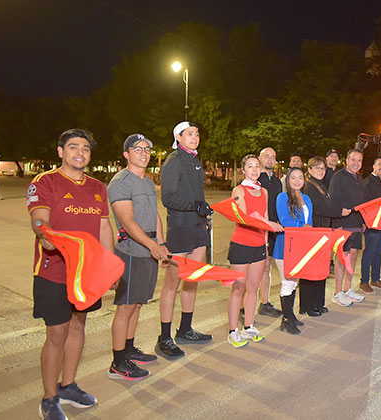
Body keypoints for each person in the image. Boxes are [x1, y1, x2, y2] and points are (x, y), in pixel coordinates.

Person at [28, 129, 112, 420]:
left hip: (86, 273)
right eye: (73, 147)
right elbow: (39, 217)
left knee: (78, 325)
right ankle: (49, 399)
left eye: (86, 149)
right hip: (54, 271)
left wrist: (108, 265)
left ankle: (68, 386)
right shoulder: (46, 181)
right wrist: (44, 234)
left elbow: (103, 228)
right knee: (57, 332)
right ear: (60, 151)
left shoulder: (98, 188)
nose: (80, 153)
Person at [106, 134, 169, 381]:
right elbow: (127, 222)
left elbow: (154, 215)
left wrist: (161, 244)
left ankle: (129, 349)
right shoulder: (120, 182)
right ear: (126, 154)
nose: (144, 153)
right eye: (138, 149)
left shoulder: (147, 181)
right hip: (131, 250)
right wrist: (152, 246)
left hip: (149, 248)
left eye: (147, 149)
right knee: (125, 306)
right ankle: (118, 363)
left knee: (138, 303)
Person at [156, 122, 213, 361]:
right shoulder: (173, 161)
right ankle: (164, 338)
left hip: (198, 227)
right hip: (180, 228)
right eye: (190, 134)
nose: (195, 137)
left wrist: (203, 213)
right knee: (172, 283)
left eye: (197, 134)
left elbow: (196, 196)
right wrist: (193, 207)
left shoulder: (195, 161)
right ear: (178, 137)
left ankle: (185, 330)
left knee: (192, 280)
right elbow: (167, 197)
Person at [227, 155, 283, 347]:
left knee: (253, 288)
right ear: (243, 170)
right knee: (238, 288)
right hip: (241, 244)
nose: (254, 170)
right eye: (250, 166)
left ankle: (249, 326)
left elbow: (264, 217)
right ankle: (233, 331)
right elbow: (242, 218)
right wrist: (267, 223)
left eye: (256, 166)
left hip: (259, 245)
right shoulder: (239, 190)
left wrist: (266, 241)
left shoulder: (264, 192)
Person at [301, 157, 351, 316]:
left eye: (323, 168)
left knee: (321, 268)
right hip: (313, 233)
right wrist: (338, 212)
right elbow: (318, 208)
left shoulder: (320, 185)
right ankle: (308, 306)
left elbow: (328, 204)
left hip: (323, 232)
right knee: (310, 271)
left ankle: (318, 303)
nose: (320, 171)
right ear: (309, 170)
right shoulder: (308, 186)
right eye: (317, 168)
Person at [274, 168, 313, 334]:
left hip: (301, 245)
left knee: (294, 281)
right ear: (287, 180)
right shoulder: (282, 197)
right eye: (293, 178)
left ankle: (290, 314)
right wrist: (301, 227)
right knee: (287, 281)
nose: (297, 181)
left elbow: (310, 221)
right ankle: (286, 319)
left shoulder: (307, 198)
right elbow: (284, 220)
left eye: (300, 178)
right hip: (286, 245)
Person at [329, 149, 367, 306]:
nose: (356, 163)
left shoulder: (359, 178)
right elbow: (333, 200)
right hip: (342, 224)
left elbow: (362, 203)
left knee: (353, 256)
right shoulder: (338, 177)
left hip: (357, 225)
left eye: (359, 161)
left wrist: (363, 221)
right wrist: (338, 218)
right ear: (346, 160)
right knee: (341, 258)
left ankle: (348, 289)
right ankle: (338, 293)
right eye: (353, 160)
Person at [359, 157, 381, 294]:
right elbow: (363, 204)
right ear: (373, 166)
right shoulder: (367, 183)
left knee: (379, 252)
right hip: (372, 225)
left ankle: (375, 279)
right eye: (379, 164)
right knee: (369, 252)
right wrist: (364, 222)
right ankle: (364, 281)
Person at [257, 147, 284, 317]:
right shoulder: (254, 178)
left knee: (266, 266)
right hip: (257, 229)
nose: (270, 159)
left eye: (273, 157)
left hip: (274, 230)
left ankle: (264, 302)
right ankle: (245, 304)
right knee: (255, 268)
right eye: (266, 156)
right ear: (260, 159)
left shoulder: (276, 182)